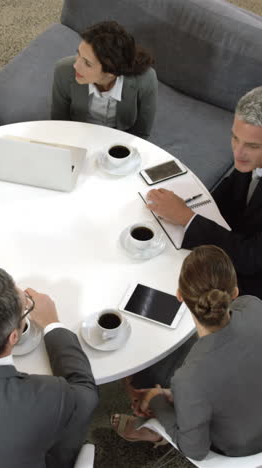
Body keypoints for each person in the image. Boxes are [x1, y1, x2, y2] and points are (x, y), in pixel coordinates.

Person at [111, 245, 262, 460]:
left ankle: (153, 432)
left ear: (179, 295)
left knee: (135, 375)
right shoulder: (254, 306)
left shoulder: (188, 378)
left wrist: (156, 399)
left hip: (239, 447)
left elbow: (195, 451)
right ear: (235, 293)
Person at [146, 86, 262, 298]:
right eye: (235, 138)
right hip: (231, 245)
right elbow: (231, 191)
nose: (237, 152)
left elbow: (250, 258)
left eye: (252, 146)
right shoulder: (248, 160)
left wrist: (186, 217)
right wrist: (191, 209)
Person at [0, 268, 98, 468]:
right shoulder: (48, 396)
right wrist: (52, 324)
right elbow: (86, 393)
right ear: (13, 337)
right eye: (25, 311)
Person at [51, 21, 157, 140]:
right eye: (78, 54)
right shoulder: (63, 71)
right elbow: (59, 124)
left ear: (111, 72)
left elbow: (141, 133)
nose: (76, 65)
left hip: (120, 143)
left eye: (87, 63)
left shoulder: (146, 80)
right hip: (79, 136)